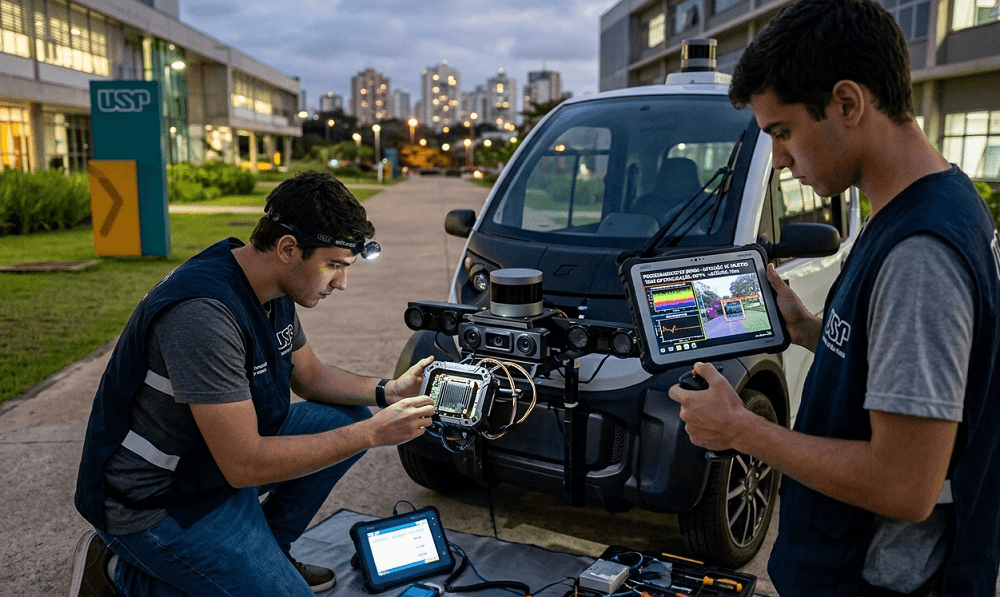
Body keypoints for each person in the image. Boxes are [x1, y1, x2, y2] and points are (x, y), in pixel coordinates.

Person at [667, 0, 1000, 595]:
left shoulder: (920, 253)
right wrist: (808, 328)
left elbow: (905, 485)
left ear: (847, 103)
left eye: (783, 131)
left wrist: (741, 430)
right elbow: (911, 370)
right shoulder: (925, 202)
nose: (780, 158)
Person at [69, 171, 437, 596]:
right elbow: (244, 464)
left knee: (345, 413)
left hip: (210, 468)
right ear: (287, 248)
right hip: (159, 502)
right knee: (354, 432)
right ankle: (116, 574)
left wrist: (389, 391)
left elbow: (311, 377)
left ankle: (271, 551)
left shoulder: (271, 285)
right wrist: (372, 433)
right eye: (333, 265)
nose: (341, 282)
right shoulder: (203, 314)